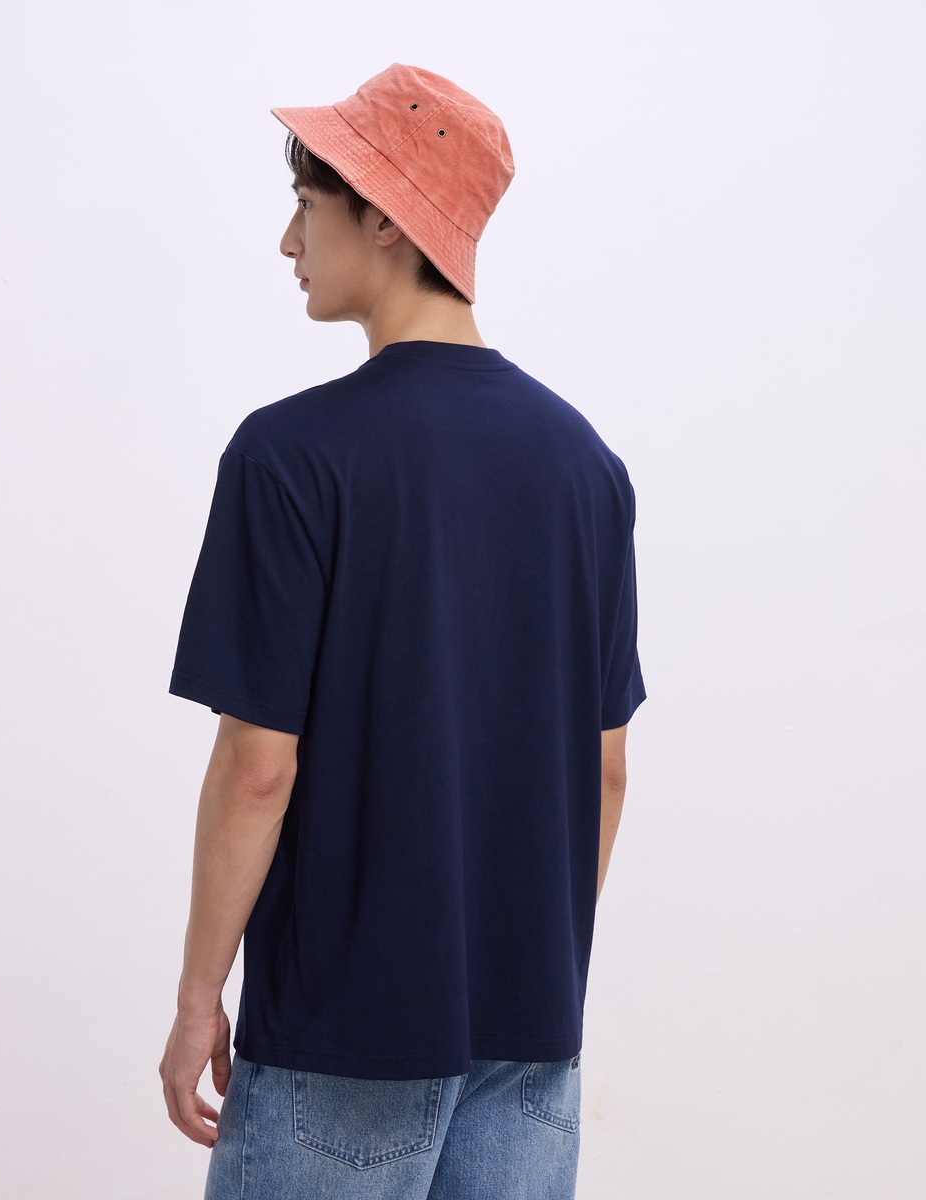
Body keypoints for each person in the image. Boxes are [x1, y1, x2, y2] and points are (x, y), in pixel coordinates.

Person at [158, 62, 646, 1200]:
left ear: (384, 216)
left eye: (307, 205)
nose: (289, 242)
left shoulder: (291, 456)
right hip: (532, 1030)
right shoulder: (587, 467)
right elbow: (608, 767)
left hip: (342, 1033)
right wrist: (530, 960)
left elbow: (258, 767)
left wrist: (196, 999)